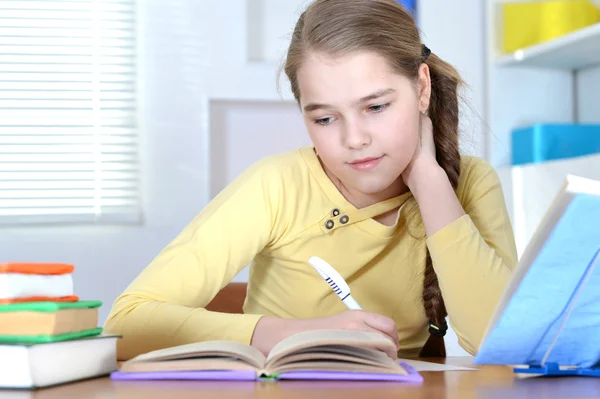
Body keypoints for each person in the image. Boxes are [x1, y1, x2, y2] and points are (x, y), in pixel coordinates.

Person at [104, 0, 518, 361]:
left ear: (421, 88)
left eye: (375, 107)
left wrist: (429, 182)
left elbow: (502, 341)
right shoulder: (277, 185)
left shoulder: (471, 183)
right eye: (324, 118)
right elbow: (126, 321)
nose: (354, 139)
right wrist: (288, 333)